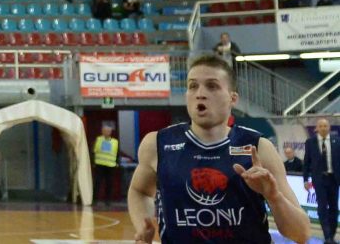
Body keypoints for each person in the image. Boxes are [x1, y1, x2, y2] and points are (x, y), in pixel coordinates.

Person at [127, 55, 310, 244]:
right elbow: (139, 191)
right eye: (193, 86)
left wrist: (274, 197)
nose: (200, 93)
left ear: (233, 98)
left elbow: (302, 234)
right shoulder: (158, 144)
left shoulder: (259, 148)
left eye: (212, 86)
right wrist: (143, 225)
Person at [304, 117, 339, 244]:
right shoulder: (310, 142)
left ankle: (332, 235)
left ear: (329, 128)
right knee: (322, 207)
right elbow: (306, 162)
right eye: (321, 126)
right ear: (316, 128)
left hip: (334, 179)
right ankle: (327, 236)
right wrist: (305, 180)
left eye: (325, 126)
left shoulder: (337, 141)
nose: (323, 128)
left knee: (334, 207)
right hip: (319, 180)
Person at [92, 122, 120, 206]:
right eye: (105, 131)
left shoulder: (115, 142)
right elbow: (93, 151)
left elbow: (117, 153)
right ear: (102, 131)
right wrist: (93, 162)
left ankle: (108, 201)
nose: (106, 132)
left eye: (108, 131)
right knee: (97, 183)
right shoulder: (98, 139)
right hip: (99, 164)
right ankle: (95, 199)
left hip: (110, 165)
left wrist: (117, 163)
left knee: (109, 184)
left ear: (110, 132)